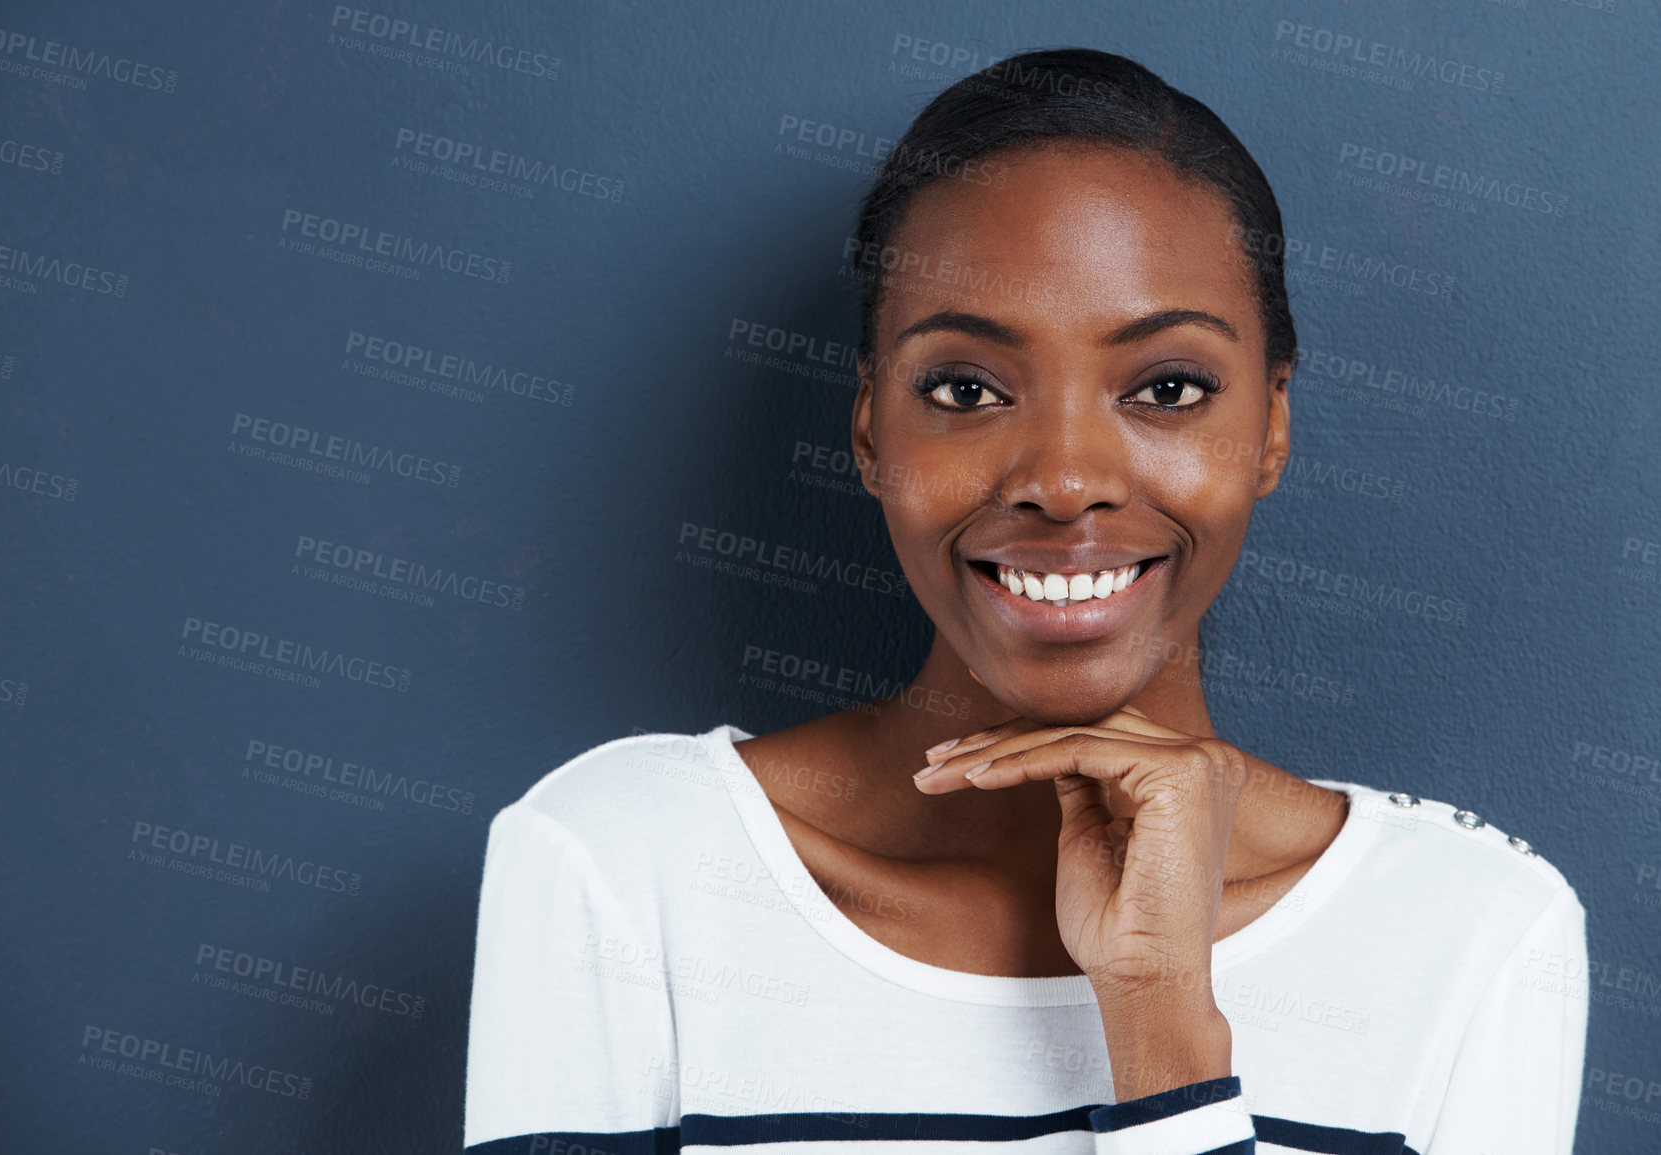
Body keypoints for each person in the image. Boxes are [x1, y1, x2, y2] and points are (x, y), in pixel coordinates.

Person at [463, 48, 1587, 1154]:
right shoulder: (625, 869)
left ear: (1271, 428)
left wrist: (1165, 1039)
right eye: (965, 389)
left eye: (1166, 389)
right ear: (868, 429)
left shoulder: (1474, 937)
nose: (1063, 479)